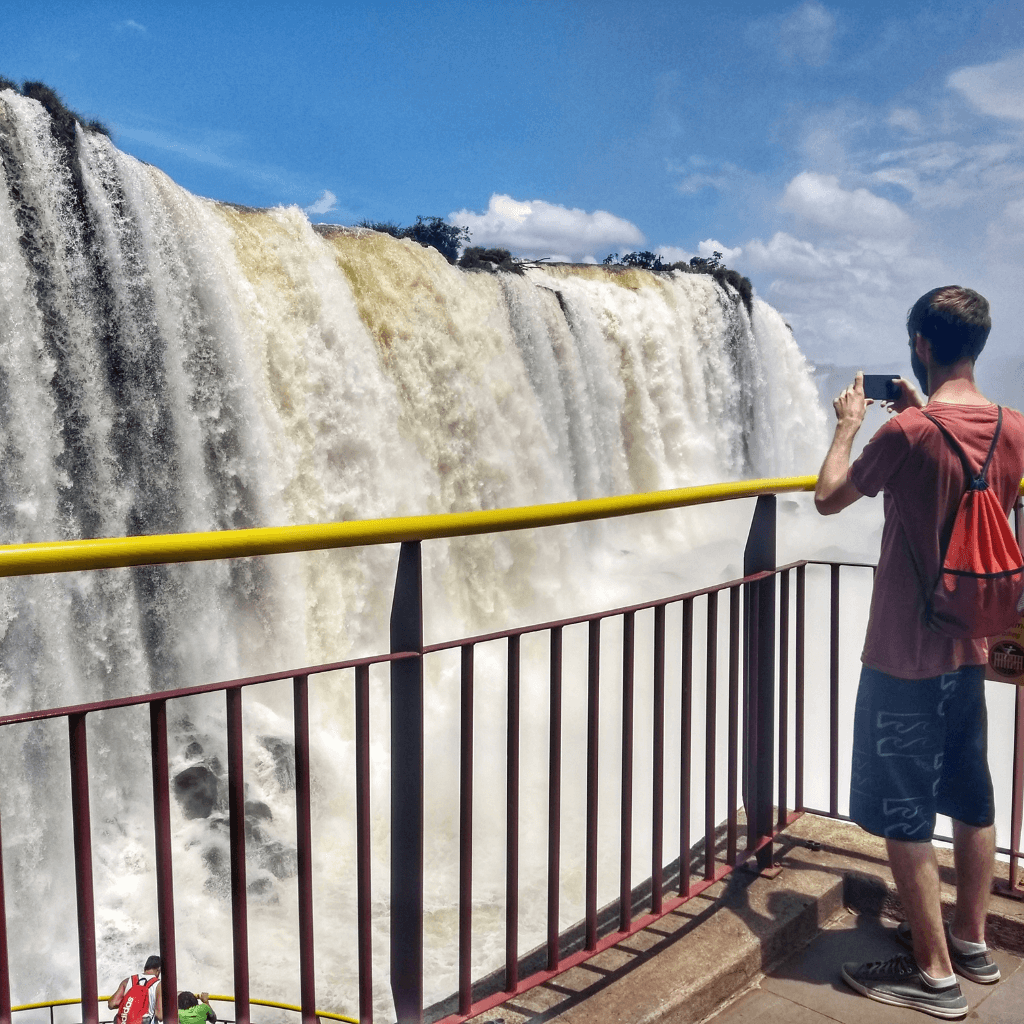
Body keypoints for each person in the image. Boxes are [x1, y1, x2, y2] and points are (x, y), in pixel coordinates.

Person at [814, 285, 1024, 1019]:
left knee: (904, 814)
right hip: (970, 645)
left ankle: (933, 977)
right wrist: (916, 407)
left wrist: (846, 428)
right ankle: (971, 940)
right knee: (971, 796)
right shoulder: (1014, 426)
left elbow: (829, 496)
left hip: (904, 654)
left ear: (922, 345)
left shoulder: (905, 435)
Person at [108, 955, 162, 1024]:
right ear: (158, 970)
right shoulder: (159, 985)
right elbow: (160, 1016)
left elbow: (112, 1004)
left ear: (145, 968)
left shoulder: (128, 981)